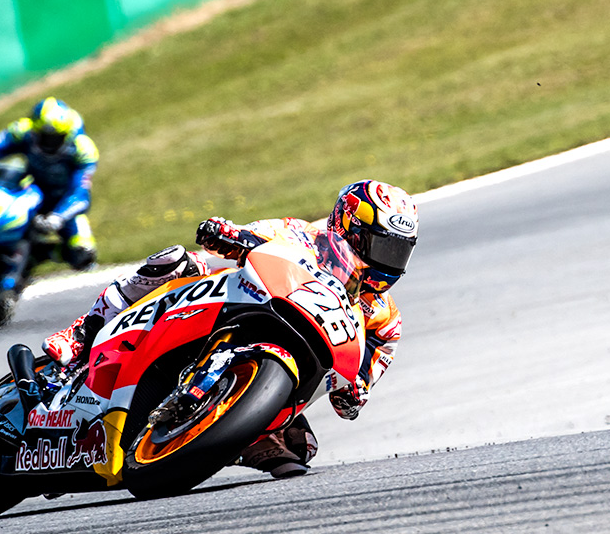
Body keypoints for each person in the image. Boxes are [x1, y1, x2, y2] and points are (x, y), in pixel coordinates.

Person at [41, 180, 417, 478]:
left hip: (289, 367)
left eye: (396, 253)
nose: (386, 262)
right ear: (347, 226)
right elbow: (249, 237)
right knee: (175, 261)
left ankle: (207, 439)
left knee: (301, 447)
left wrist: (356, 391)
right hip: (236, 305)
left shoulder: (385, 318)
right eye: (380, 246)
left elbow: (365, 375)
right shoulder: (300, 234)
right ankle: (83, 332)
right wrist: (229, 234)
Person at [0, 97, 100, 273]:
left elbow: (81, 194)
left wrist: (58, 217)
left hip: (61, 203)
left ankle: (35, 256)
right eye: (45, 137)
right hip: (27, 194)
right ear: (35, 130)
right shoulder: (21, 131)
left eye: (56, 138)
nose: (50, 143)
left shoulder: (83, 150)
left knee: (83, 254)